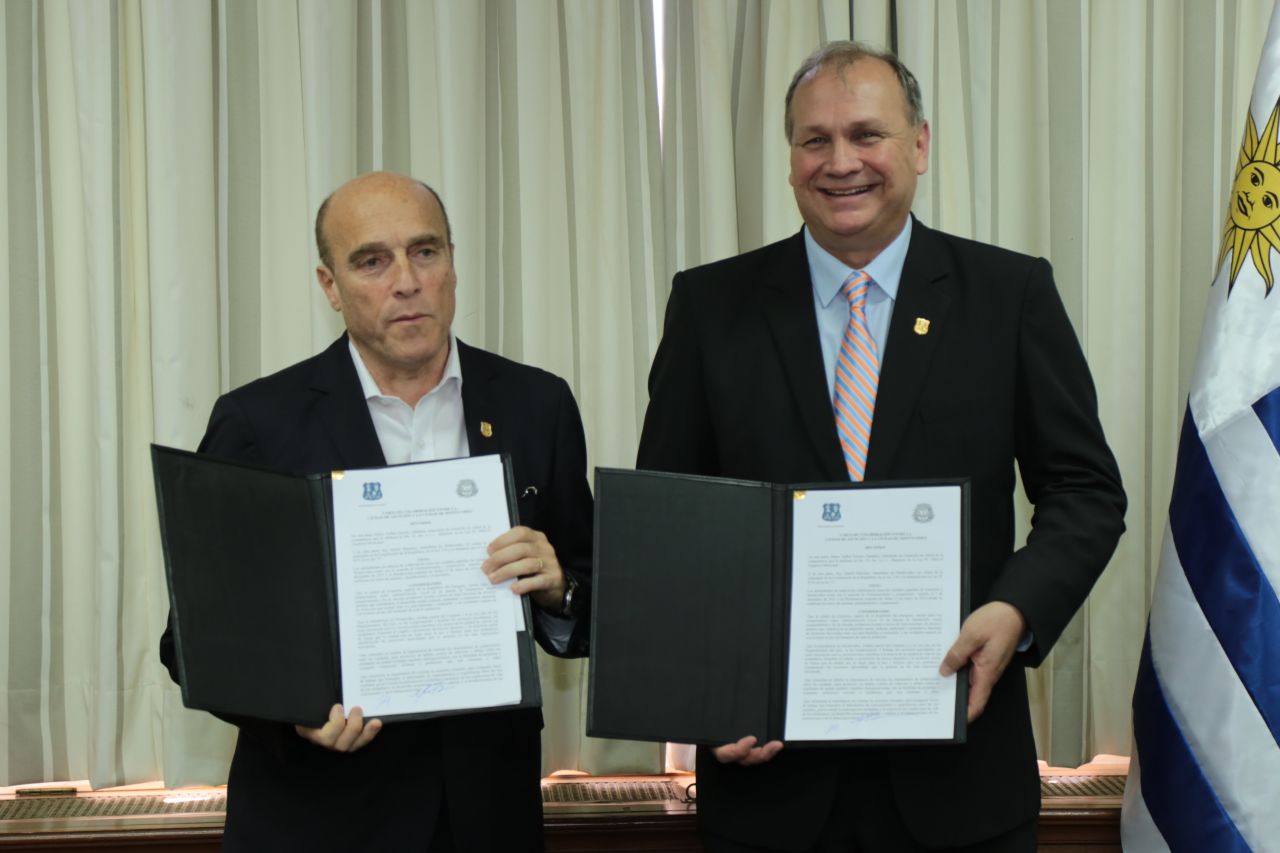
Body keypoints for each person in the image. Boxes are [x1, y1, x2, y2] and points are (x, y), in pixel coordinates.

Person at [636, 41, 1126, 852]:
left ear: (919, 145)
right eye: (815, 140)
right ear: (790, 158)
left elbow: (1085, 491)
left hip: (961, 787)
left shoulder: (1008, 295)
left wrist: (1015, 610)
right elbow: (668, 523)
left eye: (867, 134)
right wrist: (705, 695)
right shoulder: (710, 306)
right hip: (770, 790)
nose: (841, 163)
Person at [159, 171, 593, 851]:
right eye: (371, 261)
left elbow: (596, 596)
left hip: (485, 816)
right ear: (330, 286)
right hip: (318, 818)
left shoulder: (537, 405)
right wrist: (295, 714)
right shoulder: (258, 424)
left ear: (453, 263)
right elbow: (192, 642)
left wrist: (560, 586)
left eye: (425, 252)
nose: (407, 281)